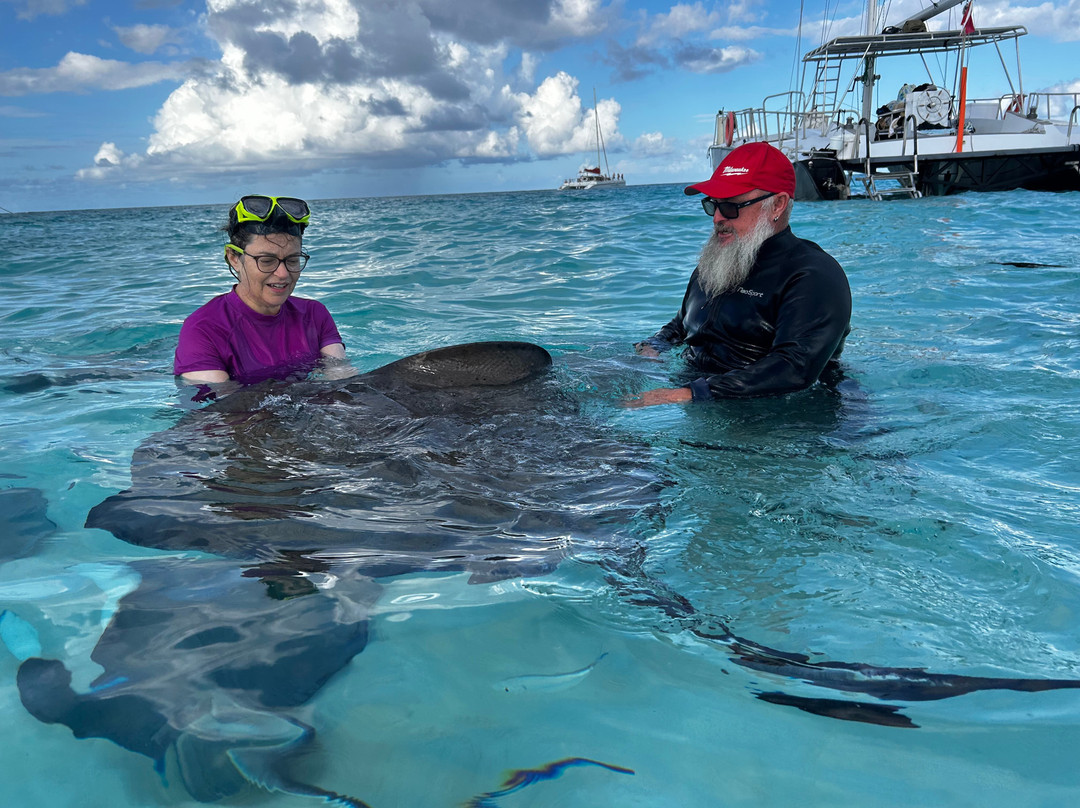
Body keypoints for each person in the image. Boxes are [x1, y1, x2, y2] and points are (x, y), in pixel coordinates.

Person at [629, 142, 850, 406]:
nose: (717, 218)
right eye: (713, 205)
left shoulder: (814, 275)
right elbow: (681, 325)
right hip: (701, 395)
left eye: (731, 207)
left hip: (780, 419)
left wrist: (689, 394)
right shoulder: (715, 262)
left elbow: (794, 368)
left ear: (777, 205)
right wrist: (654, 345)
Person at [174, 195, 347, 385]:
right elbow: (222, 408)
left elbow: (343, 380)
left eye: (292, 260)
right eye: (266, 261)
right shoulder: (202, 330)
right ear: (233, 258)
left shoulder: (315, 314)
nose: (282, 274)